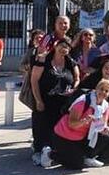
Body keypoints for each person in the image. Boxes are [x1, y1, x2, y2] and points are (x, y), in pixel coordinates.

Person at [40, 79, 109, 169]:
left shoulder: (105, 106)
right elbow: (71, 124)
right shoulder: (83, 101)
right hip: (64, 135)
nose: (103, 92)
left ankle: (88, 157)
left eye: (106, 91)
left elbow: (102, 124)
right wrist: (84, 121)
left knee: (104, 136)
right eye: (101, 89)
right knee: (76, 164)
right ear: (96, 89)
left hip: (82, 136)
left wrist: (104, 129)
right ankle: (50, 154)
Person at [30, 38, 80, 166]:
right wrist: (38, 100)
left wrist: (74, 87)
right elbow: (34, 80)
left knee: (57, 129)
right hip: (45, 101)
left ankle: (52, 153)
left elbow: (77, 78)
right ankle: (38, 152)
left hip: (62, 103)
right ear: (55, 46)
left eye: (67, 47)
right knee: (42, 127)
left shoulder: (70, 61)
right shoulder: (44, 59)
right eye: (61, 45)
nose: (64, 48)